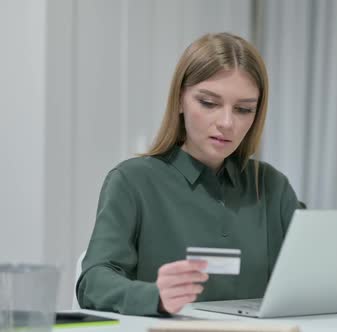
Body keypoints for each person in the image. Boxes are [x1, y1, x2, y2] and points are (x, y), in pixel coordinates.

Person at [76, 33, 303, 316]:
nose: (227, 123)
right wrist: (153, 297)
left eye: (244, 109)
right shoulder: (132, 181)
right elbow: (93, 283)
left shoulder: (272, 186)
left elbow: (315, 273)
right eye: (209, 103)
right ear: (180, 100)